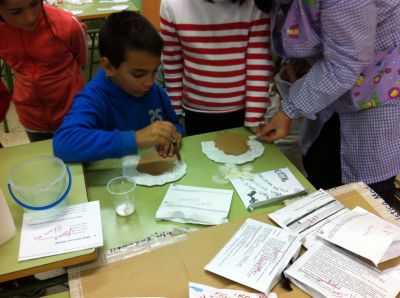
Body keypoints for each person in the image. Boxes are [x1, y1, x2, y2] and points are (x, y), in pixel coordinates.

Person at [255, 0, 400, 210]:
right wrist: (291, 61)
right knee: (320, 166)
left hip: (379, 90)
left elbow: (345, 62)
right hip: (336, 87)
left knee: (364, 198)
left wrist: (289, 110)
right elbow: (301, 19)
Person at [53, 11, 184, 163]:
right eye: (138, 74)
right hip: (115, 183)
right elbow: (64, 143)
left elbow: (175, 125)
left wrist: (174, 135)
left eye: (154, 71)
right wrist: (134, 140)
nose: (149, 81)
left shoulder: (156, 92)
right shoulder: (94, 97)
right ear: (108, 67)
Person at [160, 0, 274, 136]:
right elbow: (172, 63)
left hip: (242, 110)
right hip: (195, 110)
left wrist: (255, 118)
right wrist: (175, 114)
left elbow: (258, 62)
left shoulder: (256, 4)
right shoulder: (171, 4)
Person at [0, 0, 87, 142]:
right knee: (44, 159)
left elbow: (81, 59)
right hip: (31, 117)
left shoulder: (67, 24)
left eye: (35, 3)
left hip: (72, 113)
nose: (30, 17)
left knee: (80, 159)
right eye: (16, 12)